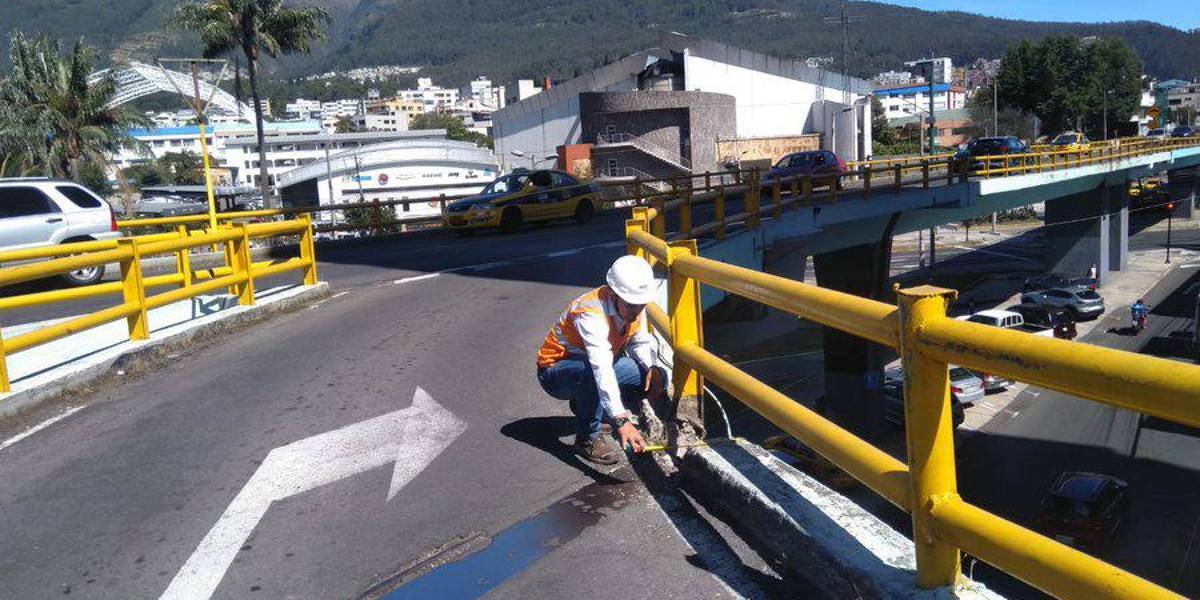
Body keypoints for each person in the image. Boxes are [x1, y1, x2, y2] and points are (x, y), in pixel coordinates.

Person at [536, 256, 666, 465]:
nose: (636, 312)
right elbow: (601, 367)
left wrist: (651, 368)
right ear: (614, 294)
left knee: (651, 378)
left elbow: (638, 342)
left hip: (588, 367)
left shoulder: (633, 306)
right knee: (591, 375)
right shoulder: (590, 314)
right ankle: (587, 438)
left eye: (640, 306)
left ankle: (590, 406)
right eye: (632, 306)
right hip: (555, 372)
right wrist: (621, 420)